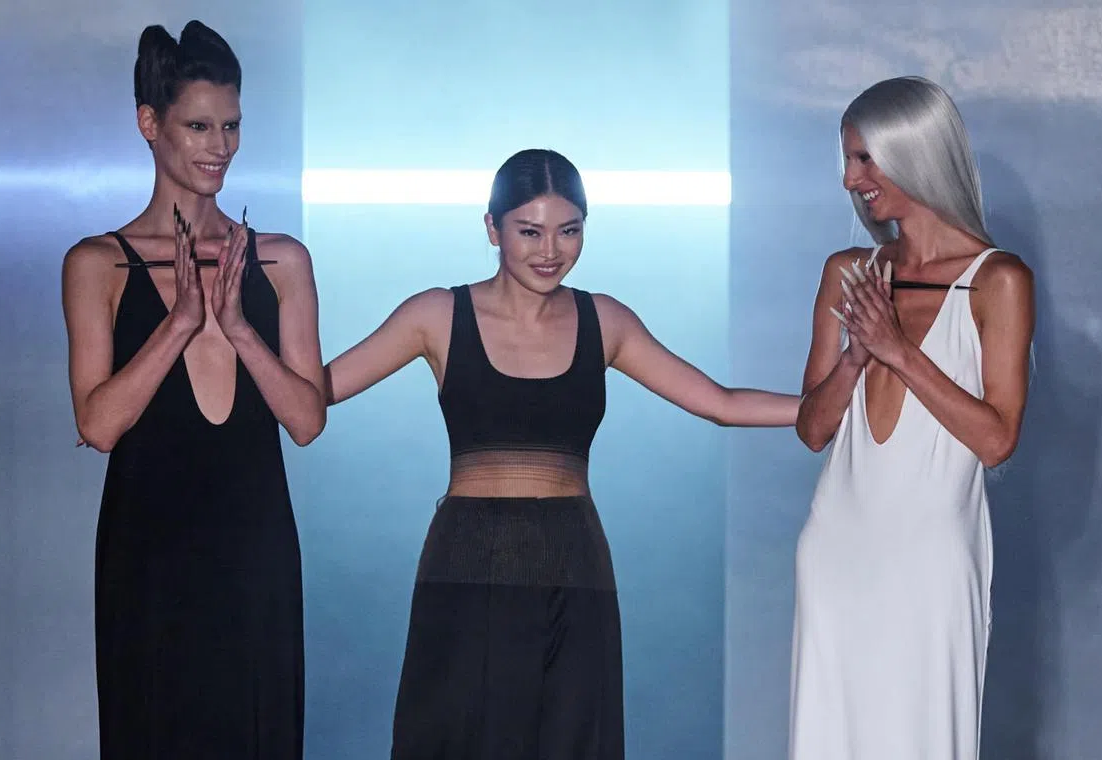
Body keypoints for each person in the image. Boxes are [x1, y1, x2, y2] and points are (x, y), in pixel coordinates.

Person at [324, 147, 799, 759]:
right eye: (530, 231)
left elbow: (721, 402)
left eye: (569, 230)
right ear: (492, 228)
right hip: (466, 566)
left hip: (573, 568)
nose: (551, 250)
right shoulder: (436, 315)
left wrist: (839, 401)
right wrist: (230, 338)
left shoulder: (606, 320)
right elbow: (314, 393)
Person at [61, 21, 324, 758]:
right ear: (150, 124)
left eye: (231, 126)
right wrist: (179, 322)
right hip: (149, 552)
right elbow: (99, 425)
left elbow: (307, 420)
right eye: (199, 126)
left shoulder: (281, 260)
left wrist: (238, 328)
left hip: (255, 547)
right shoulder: (97, 263)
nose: (220, 146)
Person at [790, 76, 1035, 760]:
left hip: (931, 560)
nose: (850, 179)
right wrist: (855, 359)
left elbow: (997, 440)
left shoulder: (998, 281)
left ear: (916, 153)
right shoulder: (847, 272)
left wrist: (898, 350)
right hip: (835, 550)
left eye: (865, 158)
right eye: (848, 160)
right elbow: (812, 430)